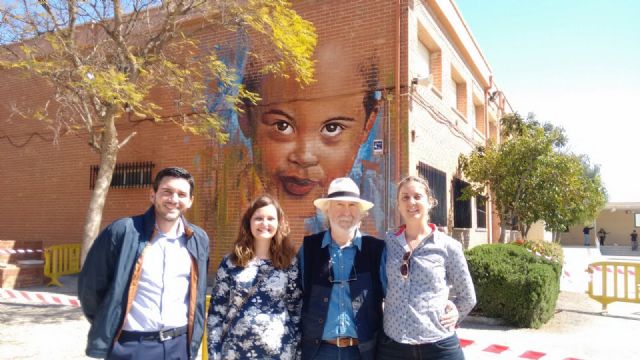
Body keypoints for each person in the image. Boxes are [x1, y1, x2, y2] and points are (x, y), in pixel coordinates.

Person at [297, 177, 460, 360]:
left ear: (360, 213)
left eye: (352, 205)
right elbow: (295, 296)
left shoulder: (377, 249)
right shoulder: (308, 249)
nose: (346, 212)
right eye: (339, 205)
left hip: (363, 352)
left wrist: (450, 305)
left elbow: (397, 292)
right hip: (319, 352)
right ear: (327, 210)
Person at [78, 167, 210, 360]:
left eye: (181, 194)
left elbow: (197, 294)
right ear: (152, 194)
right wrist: (110, 324)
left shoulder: (199, 239)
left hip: (180, 347)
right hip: (132, 347)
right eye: (167, 192)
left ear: (190, 201)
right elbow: (90, 289)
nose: (174, 199)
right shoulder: (123, 232)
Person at [377, 175, 476, 360]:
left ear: (430, 202)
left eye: (417, 196)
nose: (411, 202)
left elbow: (468, 296)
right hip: (393, 346)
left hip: (438, 346)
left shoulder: (448, 246)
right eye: (405, 197)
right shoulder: (388, 242)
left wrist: (455, 313)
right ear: (398, 205)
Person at [207, 195, 302, 359]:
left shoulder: (290, 263)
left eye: (271, 218)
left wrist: (297, 353)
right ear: (249, 222)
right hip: (235, 352)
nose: (265, 223)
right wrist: (213, 353)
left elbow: (297, 312)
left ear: (279, 223)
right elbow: (217, 312)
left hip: (279, 353)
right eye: (258, 218)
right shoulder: (231, 263)